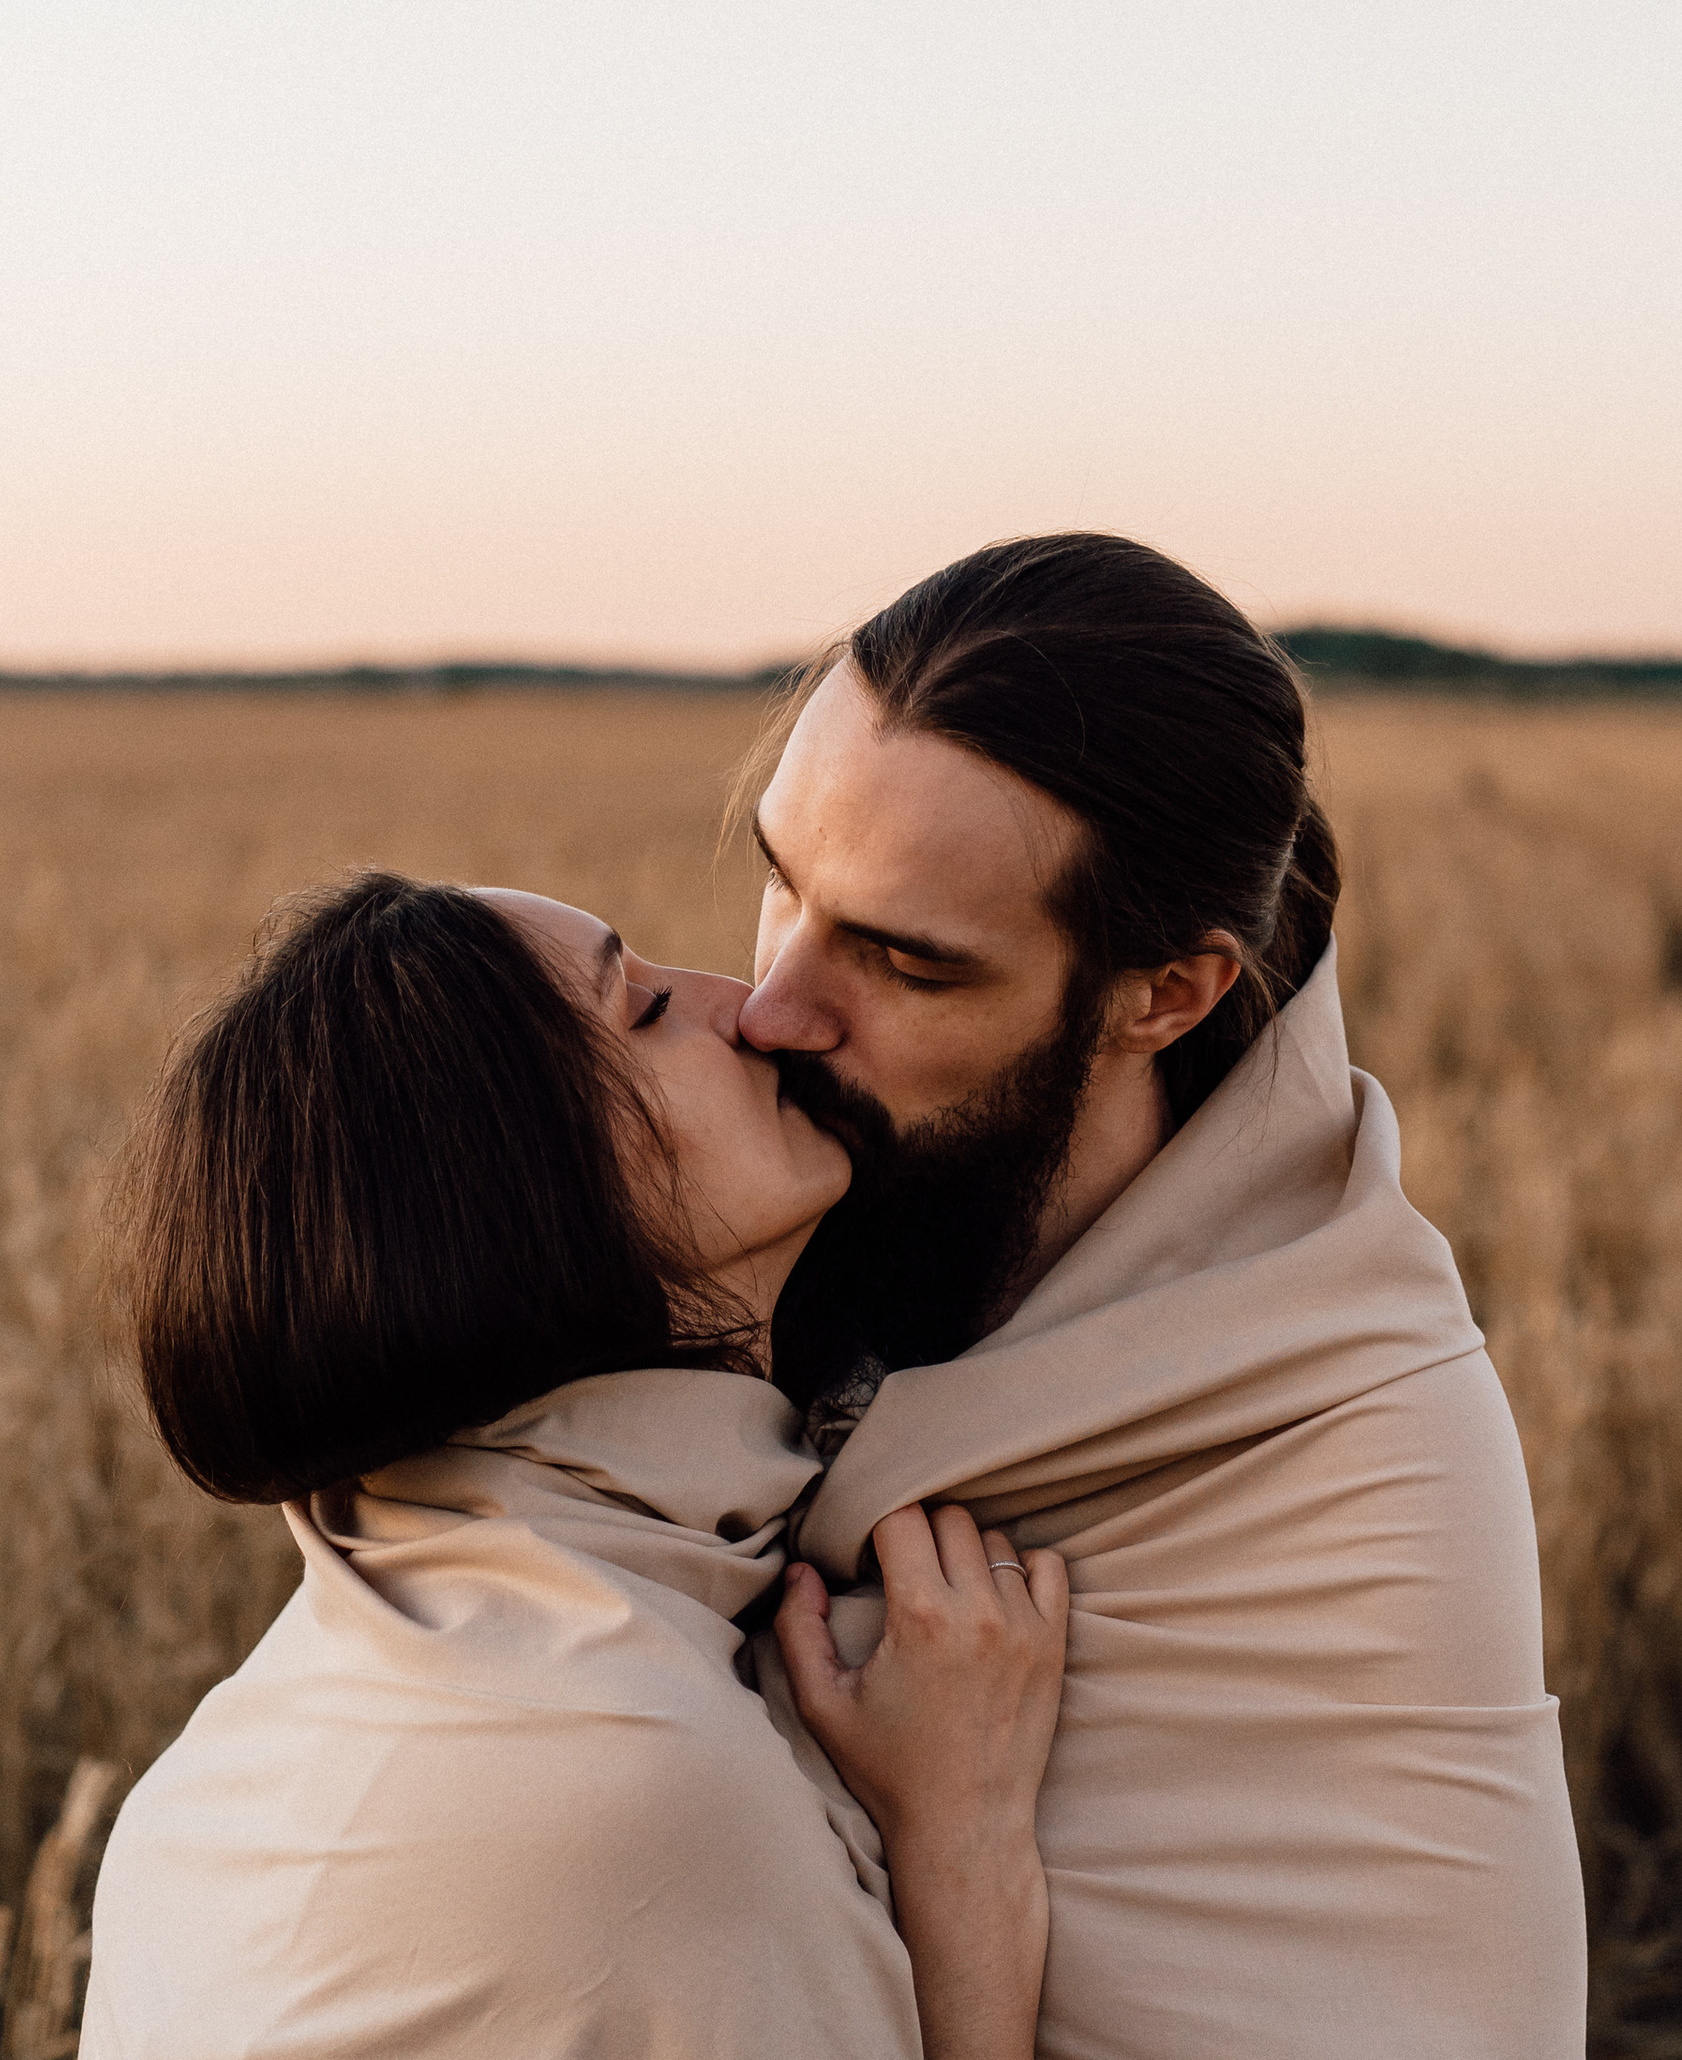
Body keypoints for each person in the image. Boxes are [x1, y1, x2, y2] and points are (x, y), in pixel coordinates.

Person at [736, 533, 1588, 2060]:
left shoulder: (1353, 1466)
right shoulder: (737, 1221)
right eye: (780, 885)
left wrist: (965, 1851)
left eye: (906, 963)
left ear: (1165, 996)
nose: (773, 1008)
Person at [81, 870, 1068, 2060]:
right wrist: (964, 1841)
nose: (748, 1006)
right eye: (646, 1011)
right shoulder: (635, 1787)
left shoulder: (219, 1767)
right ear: (509, 1196)